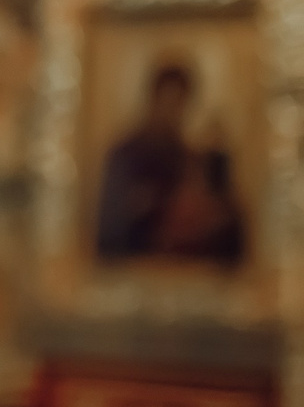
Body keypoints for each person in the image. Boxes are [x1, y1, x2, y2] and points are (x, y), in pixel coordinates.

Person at [94, 61, 247, 264]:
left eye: (179, 103)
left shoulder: (191, 156)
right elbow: (112, 229)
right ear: (153, 99)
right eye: (167, 101)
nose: (171, 112)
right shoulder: (126, 154)